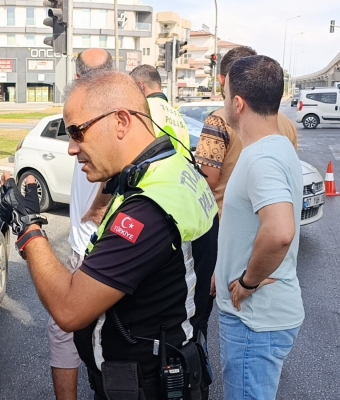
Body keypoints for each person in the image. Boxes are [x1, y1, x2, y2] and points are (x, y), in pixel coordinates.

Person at [0, 70, 218, 400]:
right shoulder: (174, 167)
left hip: (146, 383)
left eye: (77, 131)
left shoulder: (148, 210)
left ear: (120, 121)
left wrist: (27, 225)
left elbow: (69, 310)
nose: (72, 148)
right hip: (169, 366)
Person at [214, 55, 304, 400]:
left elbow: (279, 231)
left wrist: (247, 281)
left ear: (238, 103)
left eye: (225, 97)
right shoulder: (277, 145)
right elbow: (250, 224)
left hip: (254, 321)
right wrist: (224, 269)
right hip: (259, 318)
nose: (223, 105)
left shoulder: (262, 158)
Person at [47, 48, 116, 400]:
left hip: (97, 246)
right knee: (90, 332)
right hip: (87, 243)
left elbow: (121, 165)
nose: (74, 148)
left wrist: (98, 207)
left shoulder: (104, 118)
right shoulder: (98, 112)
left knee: (69, 323)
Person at [195, 46, 298, 217]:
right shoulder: (287, 124)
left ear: (223, 80)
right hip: (270, 219)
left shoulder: (218, 121)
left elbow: (209, 180)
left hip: (226, 222)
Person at [129, 64, 191, 157]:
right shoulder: (177, 114)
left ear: (141, 86)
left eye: (132, 88)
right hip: (180, 170)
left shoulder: (142, 109)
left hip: (153, 171)